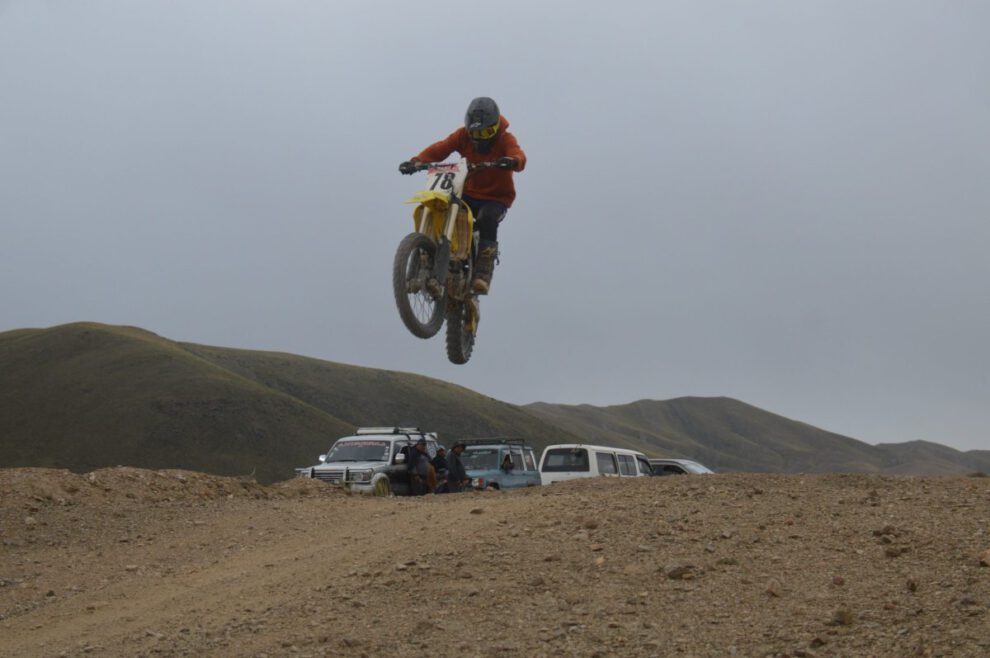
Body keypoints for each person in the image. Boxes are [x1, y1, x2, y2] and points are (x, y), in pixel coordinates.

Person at [399, 97, 527, 294]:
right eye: (475, 133)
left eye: (485, 133)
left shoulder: (505, 139)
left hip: (496, 198)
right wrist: (416, 161)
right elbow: (440, 148)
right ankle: (426, 256)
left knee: (487, 218)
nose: (480, 138)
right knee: (440, 206)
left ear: (495, 128)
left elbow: (518, 155)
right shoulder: (462, 136)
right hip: (467, 193)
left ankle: (484, 270)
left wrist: (512, 161)